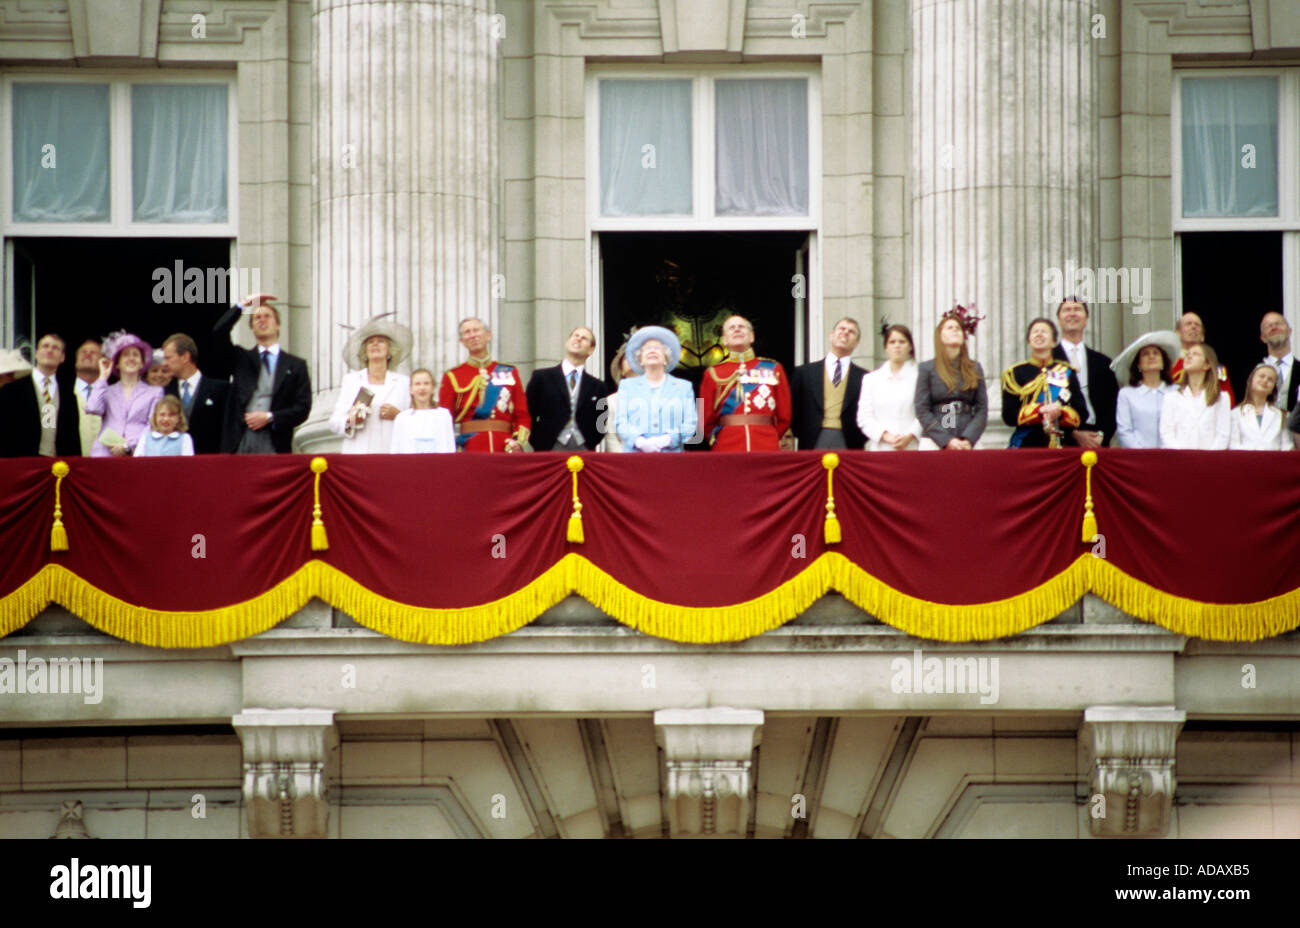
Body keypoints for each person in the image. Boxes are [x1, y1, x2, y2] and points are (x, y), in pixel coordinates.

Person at [219, 295, 313, 454]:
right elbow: (219, 332)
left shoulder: (296, 365)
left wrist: (270, 417)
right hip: (241, 440)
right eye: (257, 318)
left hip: (275, 441)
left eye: (267, 316)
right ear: (252, 328)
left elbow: (302, 408)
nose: (262, 320)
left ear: (277, 325)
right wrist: (244, 303)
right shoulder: (241, 359)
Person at [700, 315, 792, 451]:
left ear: (752, 337)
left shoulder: (774, 368)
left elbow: (785, 415)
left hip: (766, 443)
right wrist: (717, 440)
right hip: (726, 445)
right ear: (724, 340)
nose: (737, 329)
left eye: (741, 327)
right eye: (731, 328)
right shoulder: (712, 373)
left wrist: (771, 437)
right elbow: (703, 417)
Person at [438, 317, 531, 453]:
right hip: (469, 447)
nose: (473, 335)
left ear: (488, 335)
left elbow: (522, 414)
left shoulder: (509, 371)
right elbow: (445, 419)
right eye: (467, 332)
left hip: (505, 446)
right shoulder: (452, 376)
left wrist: (518, 442)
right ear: (462, 341)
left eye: (476, 330)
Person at [329, 315, 412, 454]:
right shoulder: (351, 381)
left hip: (392, 453)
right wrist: (351, 420)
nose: (375, 344)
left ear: (390, 351)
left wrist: (398, 415)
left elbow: (415, 423)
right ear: (364, 352)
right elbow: (334, 422)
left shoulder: (403, 383)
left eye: (381, 341)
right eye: (370, 342)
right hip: (358, 454)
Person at [1001, 317, 1088, 448]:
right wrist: (1039, 411)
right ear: (1029, 341)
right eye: (1035, 331)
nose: (1039, 334)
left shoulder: (1067, 372)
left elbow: (1082, 413)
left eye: (1044, 331)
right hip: (1028, 444)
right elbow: (1008, 415)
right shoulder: (1015, 374)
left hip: (1063, 443)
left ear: (1054, 342)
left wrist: (1060, 413)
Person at [525, 326, 611, 452]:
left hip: (583, 449)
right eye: (576, 335)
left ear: (591, 349)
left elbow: (601, 422)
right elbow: (528, 412)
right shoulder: (541, 378)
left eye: (584, 338)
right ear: (567, 342)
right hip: (547, 448)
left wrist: (589, 442)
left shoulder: (599, 386)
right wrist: (538, 441)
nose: (579, 339)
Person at [914, 306, 987, 450]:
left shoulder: (974, 368)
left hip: (967, 438)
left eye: (958, 328)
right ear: (939, 336)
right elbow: (921, 408)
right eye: (949, 327)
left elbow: (982, 408)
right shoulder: (927, 369)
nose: (955, 330)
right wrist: (946, 440)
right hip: (934, 440)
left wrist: (969, 438)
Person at [614, 326, 697, 453]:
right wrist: (640, 442)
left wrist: (667, 440)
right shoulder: (627, 386)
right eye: (647, 348)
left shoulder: (684, 387)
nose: (652, 350)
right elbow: (621, 423)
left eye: (658, 348)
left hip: (672, 458)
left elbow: (690, 424)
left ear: (666, 358)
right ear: (640, 360)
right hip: (635, 457)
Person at [0, 334, 82, 458]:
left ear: (62, 357)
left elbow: (72, 436)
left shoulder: (68, 394)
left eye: (55, 348)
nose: (49, 350)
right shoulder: (12, 390)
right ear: (37, 353)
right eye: (45, 346)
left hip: (58, 466)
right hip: (22, 463)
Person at [791, 317, 867, 450]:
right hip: (811, 441)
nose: (845, 333)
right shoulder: (804, 373)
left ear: (857, 344)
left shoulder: (865, 377)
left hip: (850, 443)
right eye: (841, 329)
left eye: (851, 332)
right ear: (831, 336)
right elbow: (794, 409)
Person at [1052, 297, 1118, 448]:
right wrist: (1072, 434)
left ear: (1086, 319)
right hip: (1063, 442)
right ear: (1059, 320)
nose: (1072, 313)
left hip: (1097, 441)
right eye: (1067, 310)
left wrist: (1102, 435)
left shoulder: (1103, 362)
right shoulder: (1049, 362)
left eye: (1077, 309)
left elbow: (1113, 405)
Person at [86, 331, 164, 457]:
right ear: (117, 363)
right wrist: (102, 377)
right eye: (126, 355)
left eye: (136, 355)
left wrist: (128, 446)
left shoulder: (155, 392)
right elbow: (92, 408)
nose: (131, 358)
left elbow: (153, 425)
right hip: (104, 452)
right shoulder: (107, 390)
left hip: (137, 453)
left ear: (142, 364)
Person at [856, 323, 923, 451]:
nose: (897, 346)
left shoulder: (920, 376)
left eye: (902, 342)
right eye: (892, 342)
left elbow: (924, 412)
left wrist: (909, 436)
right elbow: (864, 417)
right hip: (881, 448)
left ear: (910, 347)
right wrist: (886, 436)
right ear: (886, 347)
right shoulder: (871, 379)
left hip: (912, 447)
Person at [162, 333, 230, 455]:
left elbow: (227, 429)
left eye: (168, 358)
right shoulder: (165, 392)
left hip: (209, 462)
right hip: (173, 462)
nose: (164, 364)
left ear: (185, 357)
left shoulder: (221, 389)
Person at [1160, 343, 1231, 449]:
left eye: (1195, 354)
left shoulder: (1221, 398)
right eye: (1187, 354)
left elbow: (1222, 434)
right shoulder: (1171, 397)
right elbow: (1166, 433)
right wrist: (1182, 456)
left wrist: (1208, 458)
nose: (1188, 356)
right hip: (1179, 460)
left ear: (1207, 364)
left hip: (1209, 460)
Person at [1114, 338, 1176, 448]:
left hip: (1172, 456)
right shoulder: (1127, 394)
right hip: (1139, 458)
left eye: (1156, 353)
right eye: (1145, 354)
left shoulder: (1176, 391)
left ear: (1163, 362)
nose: (1151, 356)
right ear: (1138, 365)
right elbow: (1124, 431)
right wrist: (1143, 454)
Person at [1170, 312, 1233, 406]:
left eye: (1197, 325)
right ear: (1177, 333)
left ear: (1203, 336)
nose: (1193, 327)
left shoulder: (1216, 368)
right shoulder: (1168, 364)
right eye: (1188, 324)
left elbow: (1228, 401)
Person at [1229, 363, 1293, 451]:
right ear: (1251, 381)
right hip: (1246, 462)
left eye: (1270, 379)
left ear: (1273, 389)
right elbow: (1233, 445)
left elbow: (1287, 447)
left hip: (1275, 463)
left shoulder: (1282, 415)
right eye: (1262, 376)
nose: (1265, 380)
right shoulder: (1235, 413)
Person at [391, 368, 455, 453]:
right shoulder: (402, 418)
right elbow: (395, 450)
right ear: (411, 389)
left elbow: (450, 446)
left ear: (433, 388)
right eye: (417, 384)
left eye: (426, 384)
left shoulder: (443, 415)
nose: (422, 388)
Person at [600, 341, 635, 453]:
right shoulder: (611, 401)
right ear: (621, 370)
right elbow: (611, 439)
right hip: (623, 463)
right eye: (627, 358)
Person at [1259, 312, 1297, 414]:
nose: (1274, 327)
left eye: (1279, 323)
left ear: (1289, 331)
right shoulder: (1253, 373)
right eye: (1268, 326)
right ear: (1262, 338)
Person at [71, 339, 102, 456]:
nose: (88, 354)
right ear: (75, 361)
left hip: (105, 463)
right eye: (83, 352)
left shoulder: (111, 395)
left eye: (93, 352)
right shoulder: (60, 393)